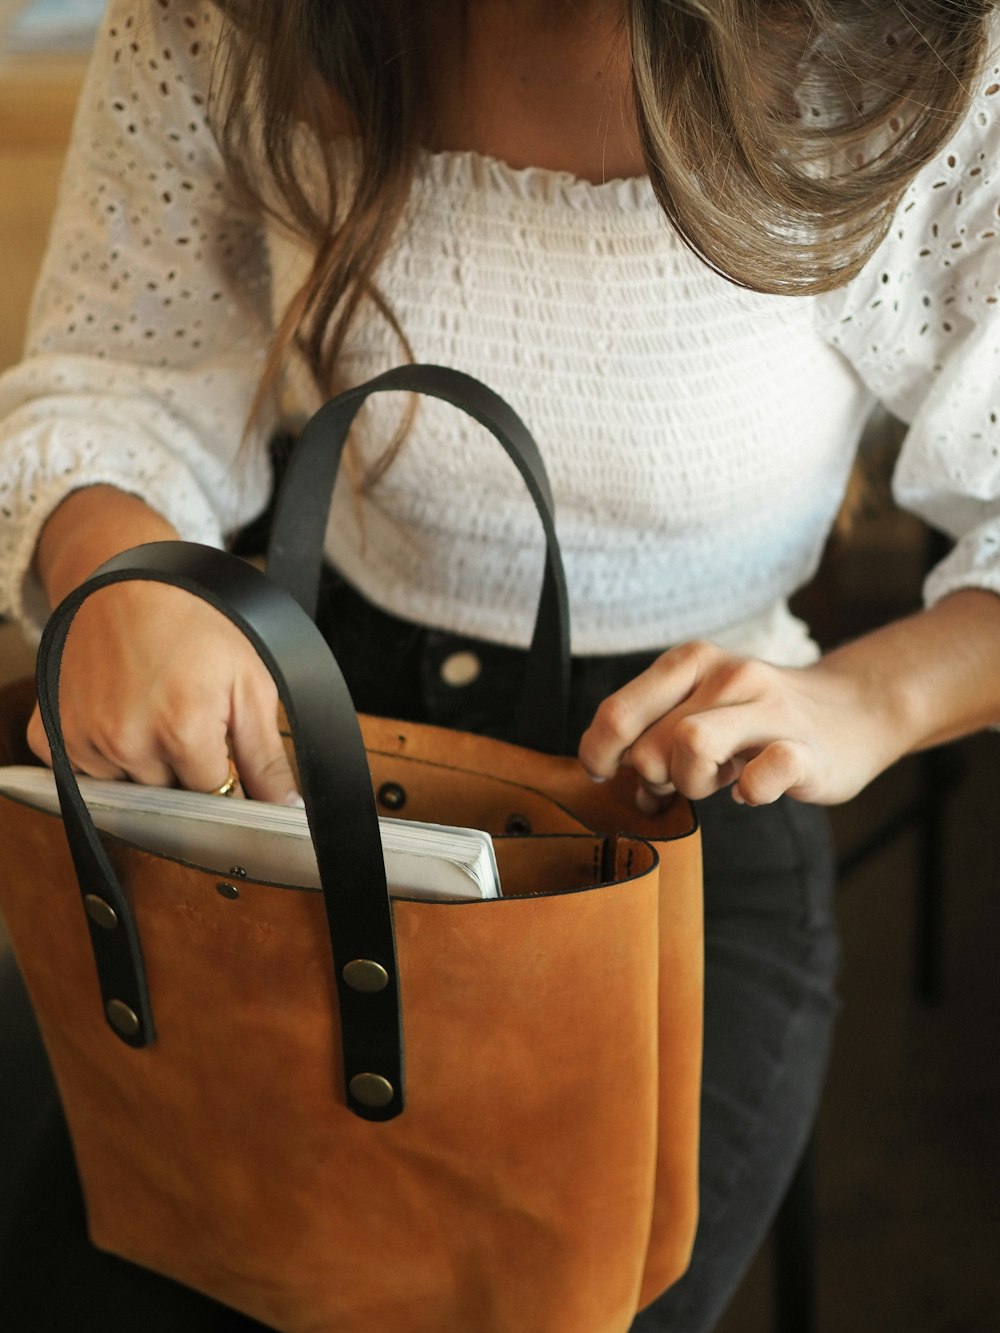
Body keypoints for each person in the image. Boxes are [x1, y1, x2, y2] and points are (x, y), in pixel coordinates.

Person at [0, 0, 998, 1328]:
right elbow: (122, 366)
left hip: (680, 785)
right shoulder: (228, 18)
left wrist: (867, 700)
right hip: (290, 728)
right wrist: (113, 559)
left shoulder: (904, 58)